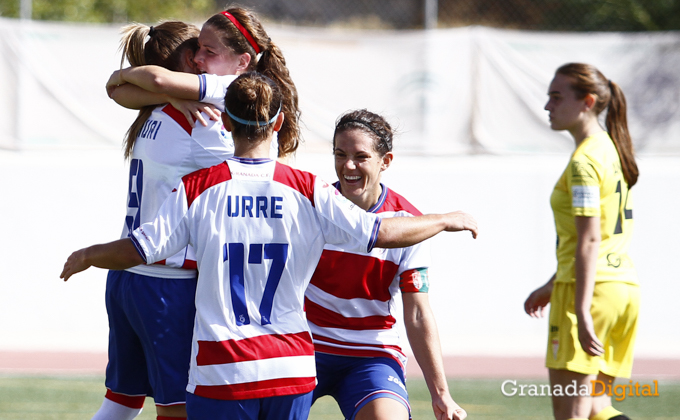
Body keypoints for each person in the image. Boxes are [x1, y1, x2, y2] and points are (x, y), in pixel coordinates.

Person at [61, 72, 478, 420]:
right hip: (291, 367)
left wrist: (88, 255)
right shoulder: (309, 189)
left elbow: (139, 249)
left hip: (222, 369)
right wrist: (444, 219)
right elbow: (381, 233)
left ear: (225, 121)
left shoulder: (198, 187)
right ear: (278, 124)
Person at [91, 20, 233, 420]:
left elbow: (116, 88)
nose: (209, 61)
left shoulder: (153, 109)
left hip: (126, 276)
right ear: (187, 60)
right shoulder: (203, 122)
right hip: (167, 283)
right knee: (178, 409)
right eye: (203, 52)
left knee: (120, 402)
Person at [305, 109, 468, 420]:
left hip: (371, 354)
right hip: (305, 346)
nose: (348, 166)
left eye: (361, 156)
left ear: (386, 161)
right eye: (340, 154)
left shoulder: (410, 223)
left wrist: (441, 395)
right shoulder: (312, 208)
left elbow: (418, 313)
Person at [524, 63, 640, 420]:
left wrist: (582, 309)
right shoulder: (609, 149)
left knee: (570, 414)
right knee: (595, 407)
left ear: (587, 101)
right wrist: (552, 283)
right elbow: (598, 236)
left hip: (591, 294)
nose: (547, 106)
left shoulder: (584, 161)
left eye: (556, 97)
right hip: (622, 291)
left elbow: (589, 240)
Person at [106, 7, 300, 160]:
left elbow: (157, 80)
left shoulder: (232, 85)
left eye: (210, 51)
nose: (198, 57)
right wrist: (169, 97)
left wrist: (120, 73)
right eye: (198, 47)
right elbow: (119, 93)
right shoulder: (234, 86)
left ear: (242, 62)